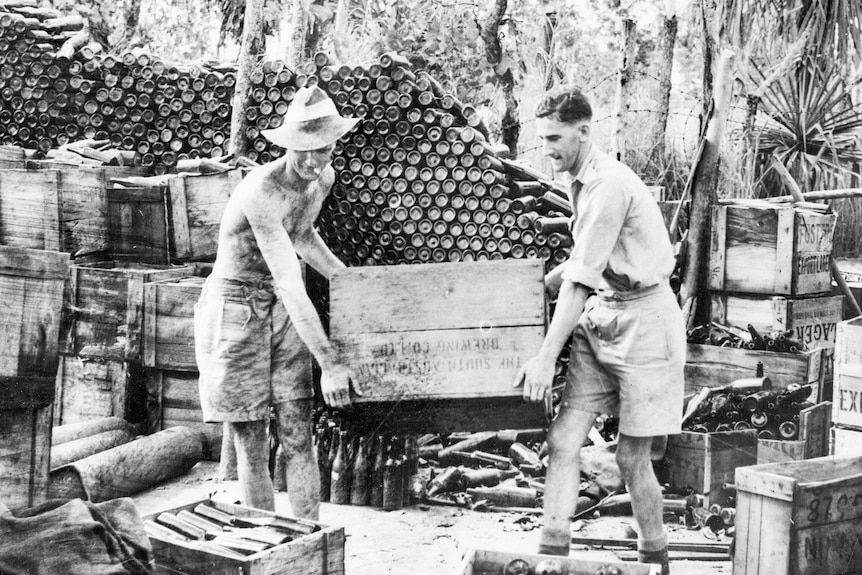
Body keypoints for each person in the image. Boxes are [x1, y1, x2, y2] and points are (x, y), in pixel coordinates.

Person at [515, 86, 685, 574]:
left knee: (633, 459)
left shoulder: (609, 184)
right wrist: (543, 281)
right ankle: (551, 558)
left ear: (584, 131)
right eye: (543, 138)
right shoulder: (581, 178)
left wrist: (547, 355)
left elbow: (579, 283)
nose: (546, 149)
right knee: (564, 441)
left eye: (554, 138)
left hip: (646, 324)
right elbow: (589, 254)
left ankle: (656, 560)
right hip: (603, 319)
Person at [194, 85, 361, 520]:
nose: (311, 161)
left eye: (321, 150)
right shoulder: (260, 192)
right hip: (236, 306)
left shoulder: (321, 178)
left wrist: (351, 282)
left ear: (333, 145)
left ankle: (308, 544)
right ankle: (266, 546)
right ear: (286, 144)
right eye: (302, 150)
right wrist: (330, 362)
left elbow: (303, 236)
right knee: (252, 439)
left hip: (280, 303)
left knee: (297, 431)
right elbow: (291, 282)